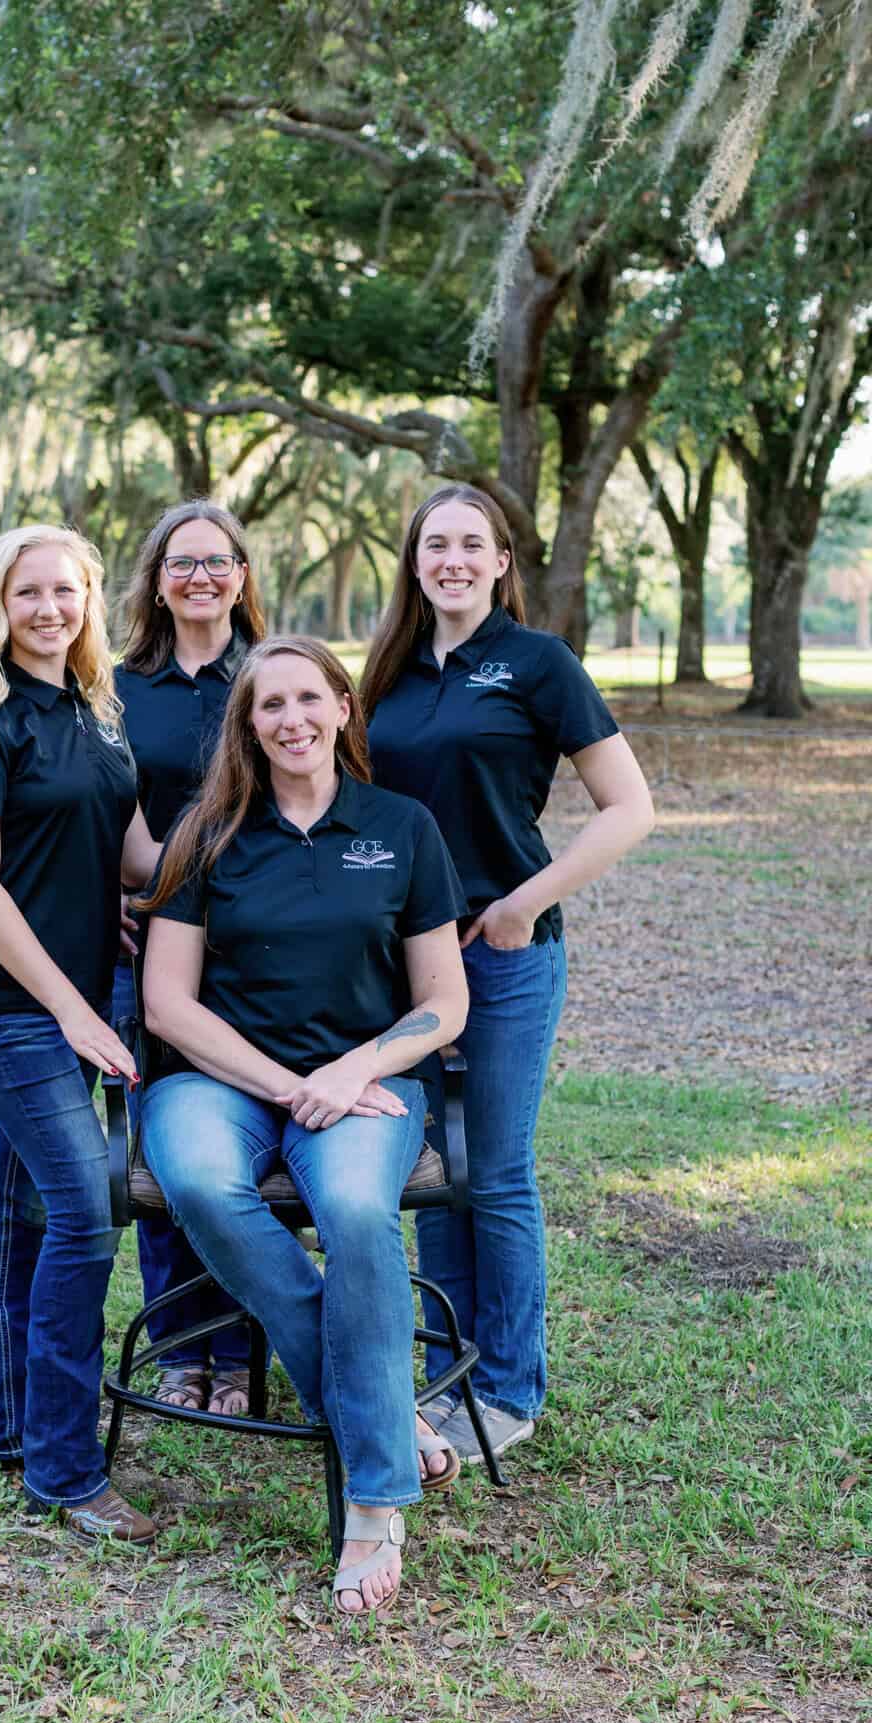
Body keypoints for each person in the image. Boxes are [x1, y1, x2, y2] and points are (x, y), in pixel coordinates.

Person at [137, 637, 470, 1616]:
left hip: (363, 1087)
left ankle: (374, 1501)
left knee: (362, 1213)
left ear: (341, 708)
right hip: (221, 1082)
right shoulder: (207, 832)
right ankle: (383, 1414)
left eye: (307, 698)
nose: (290, 719)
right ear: (247, 726)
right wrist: (289, 1086)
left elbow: (443, 1001)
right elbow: (167, 1004)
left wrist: (357, 1065)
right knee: (198, 1180)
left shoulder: (403, 828)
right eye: (266, 705)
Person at [362, 484, 655, 1466]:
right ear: (413, 562)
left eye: (470, 544)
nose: (450, 558)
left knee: (496, 1169)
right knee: (436, 1172)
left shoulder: (538, 663)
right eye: (433, 543)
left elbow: (627, 806)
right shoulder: (387, 673)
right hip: (408, 961)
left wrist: (527, 900)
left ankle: (508, 1385)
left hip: (508, 955)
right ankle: (447, 1372)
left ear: (499, 563)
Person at [0, 523, 160, 1542]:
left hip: (78, 1000)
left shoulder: (99, 710)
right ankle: (66, 1471)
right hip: (9, 1010)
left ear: (89, 601)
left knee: (19, 1215)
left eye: (67, 591)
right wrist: (71, 1005)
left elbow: (136, 852)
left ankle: (4, 1420)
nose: (51, 609)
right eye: (30, 592)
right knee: (81, 1215)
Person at [113, 501, 266, 1417]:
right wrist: (107, 895)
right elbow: (89, 804)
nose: (201, 577)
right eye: (182, 563)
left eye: (218, 562)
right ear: (158, 582)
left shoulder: (274, 676)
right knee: (165, 1150)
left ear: (242, 577)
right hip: (155, 949)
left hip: (258, 955)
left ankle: (242, 1352)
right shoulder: (119, 687)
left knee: (237, 1151)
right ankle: (179, 1345)